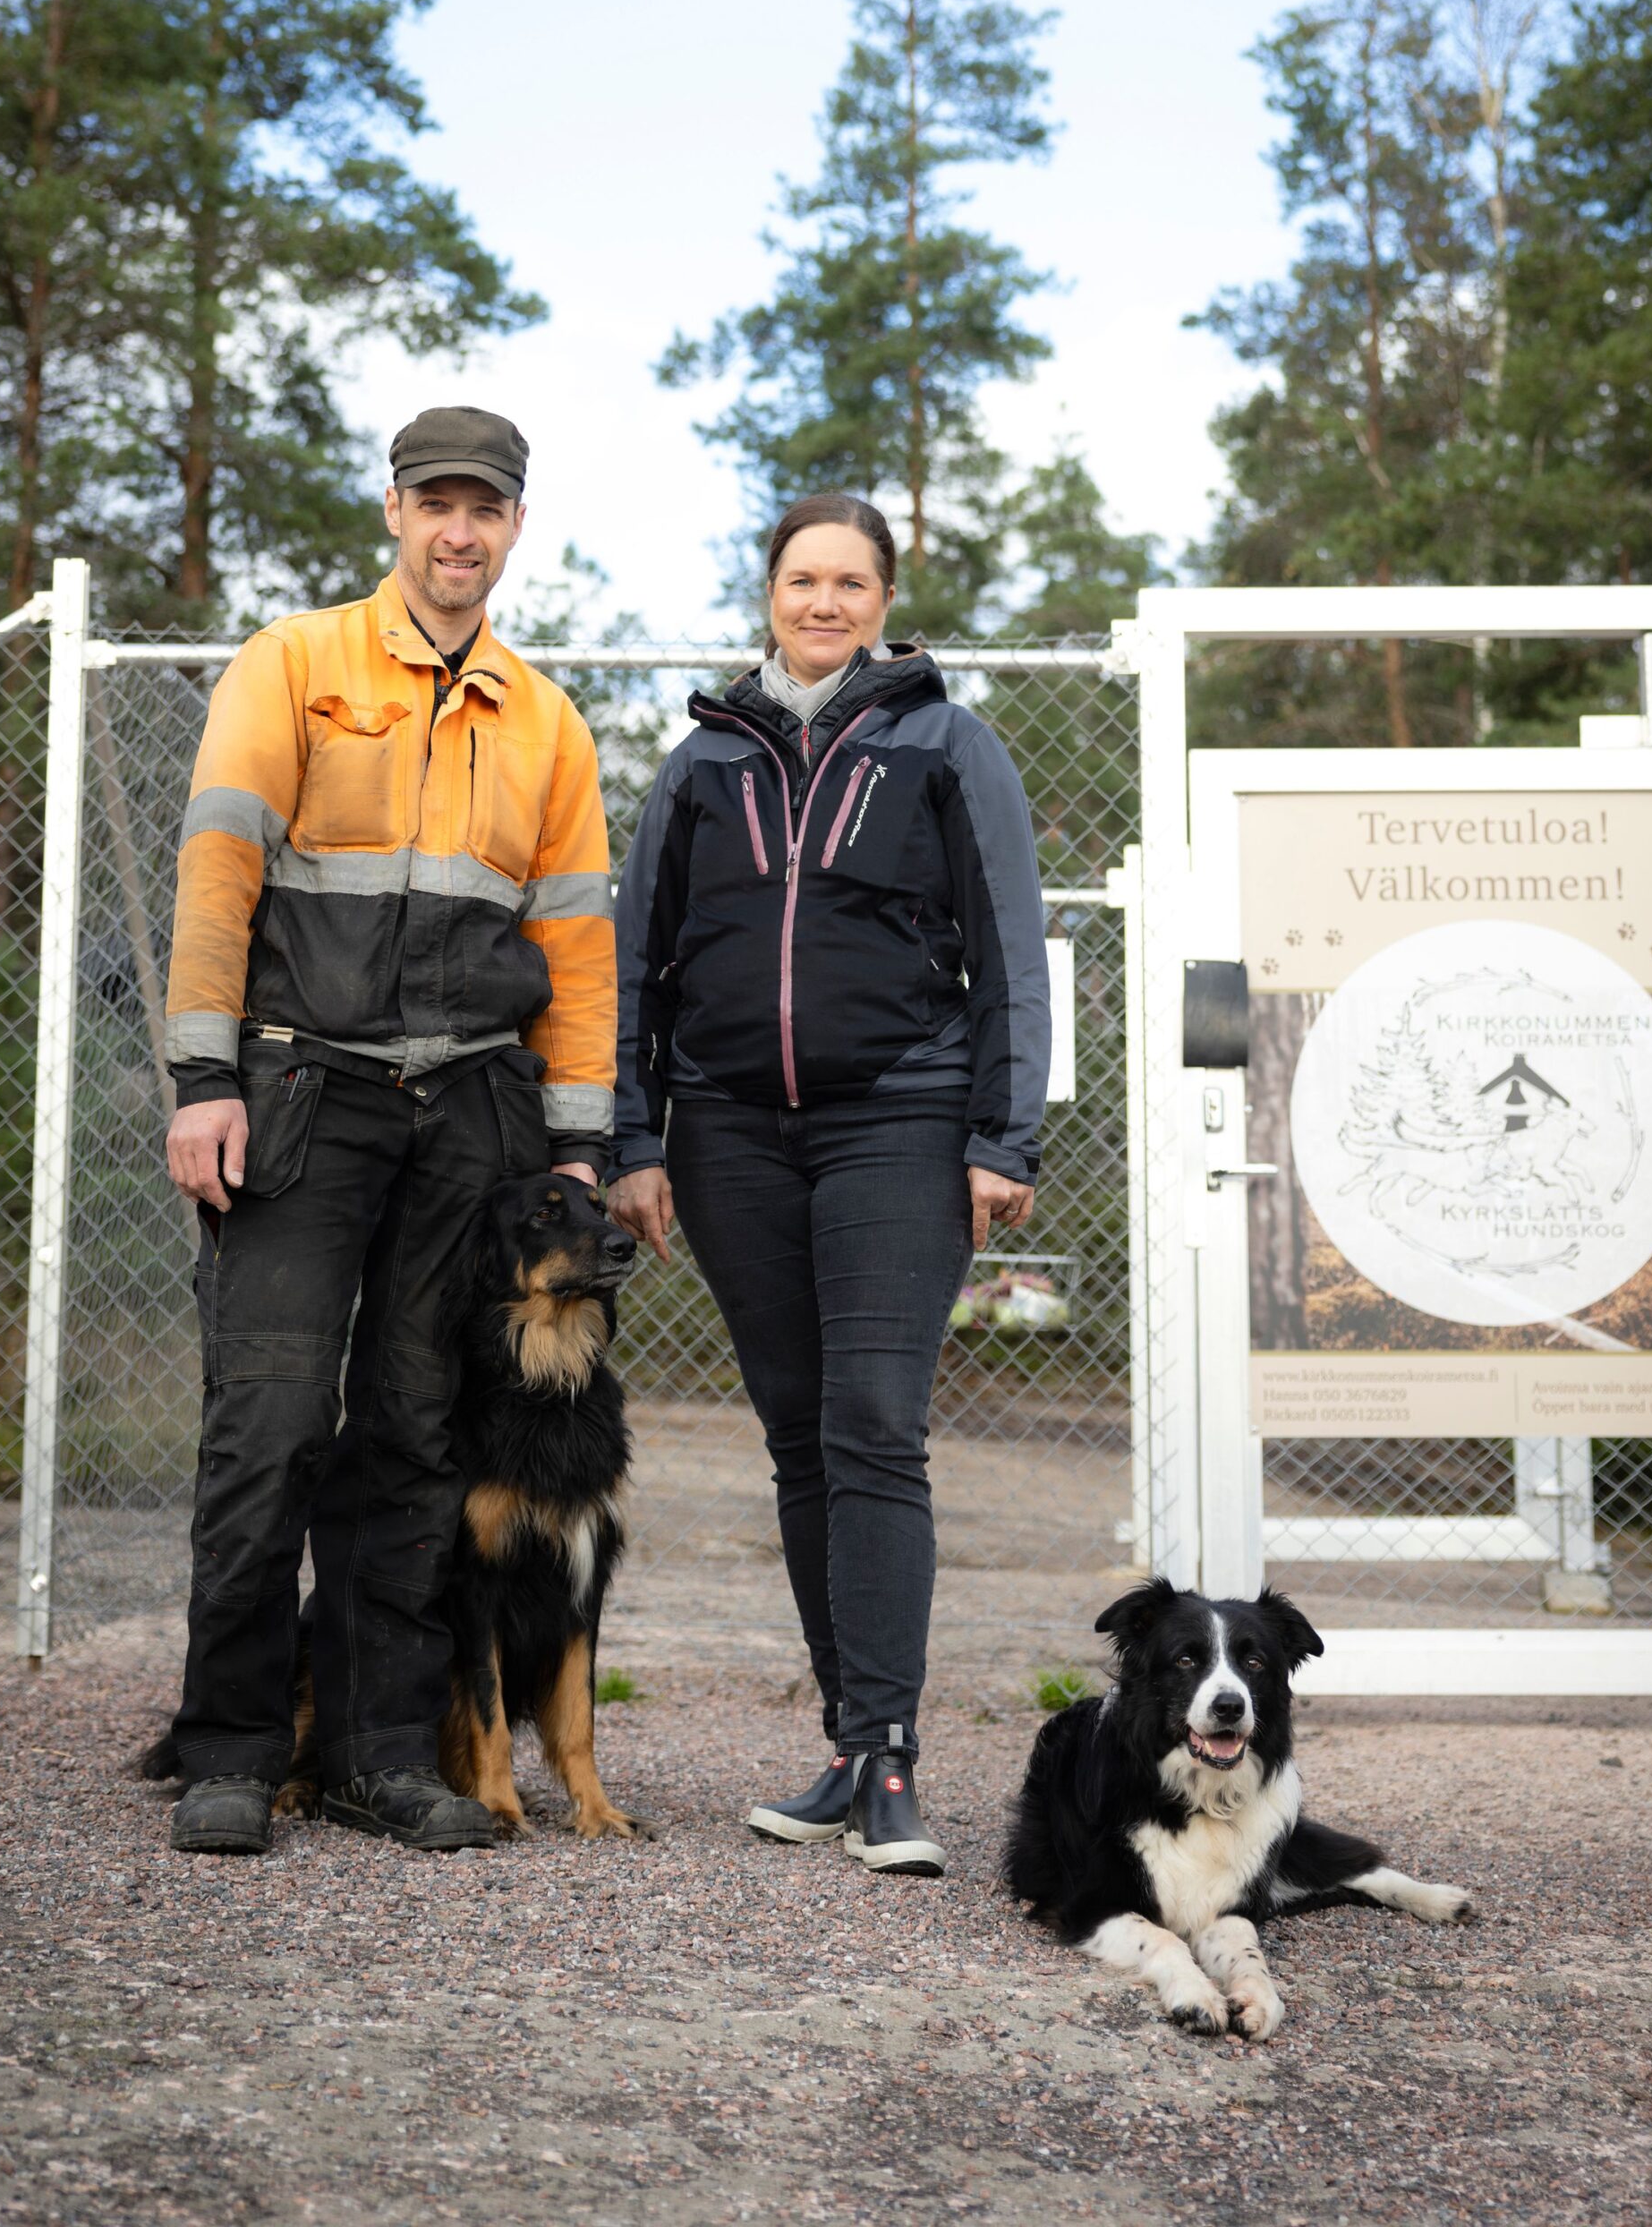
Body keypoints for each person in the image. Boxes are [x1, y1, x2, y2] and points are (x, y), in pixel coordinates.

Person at [160, 406, 616, 1856]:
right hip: (302, 1091)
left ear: (514, 527)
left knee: (417, 1441)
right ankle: (233, 1747)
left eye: (484, 508)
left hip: (473, 1118)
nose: (458, 531)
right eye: (436, 503)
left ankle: (374, 1755)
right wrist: (200, 1077)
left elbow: (579, 956)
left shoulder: (545, 721)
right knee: (271, 1430)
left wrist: (576, 1146)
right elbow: (220, 872)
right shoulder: (292, 665)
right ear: (394, 510)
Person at [608, 493, 1050, 1876]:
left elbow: (1010, 953)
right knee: (799, 1438)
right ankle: (849, 1748)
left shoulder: (944, 743)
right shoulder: (699, 763)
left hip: (899, 1124)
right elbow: (634, 967)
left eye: (849, 582)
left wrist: (1001, 1135)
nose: (823, 602)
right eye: (802, 579)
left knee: (872, 1424)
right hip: (728, 1134)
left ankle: (895, 1756)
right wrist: (632, 1139)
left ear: (883, 599)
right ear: (768, 594)